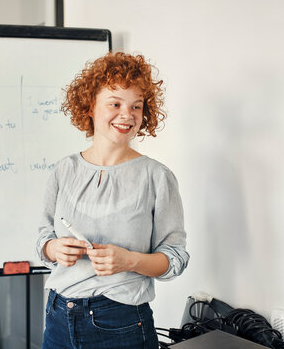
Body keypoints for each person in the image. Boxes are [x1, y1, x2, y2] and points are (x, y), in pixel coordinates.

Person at [36, 52, 189, 349]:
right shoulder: (63, 170)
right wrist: (53, 248)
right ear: (90, 106)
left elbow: (175, 258)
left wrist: (129, 260)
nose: (127, 115)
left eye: (136, 106)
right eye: (115, 104)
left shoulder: (157, 177)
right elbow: (43, 238)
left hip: (121, 322)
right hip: (57, 318)